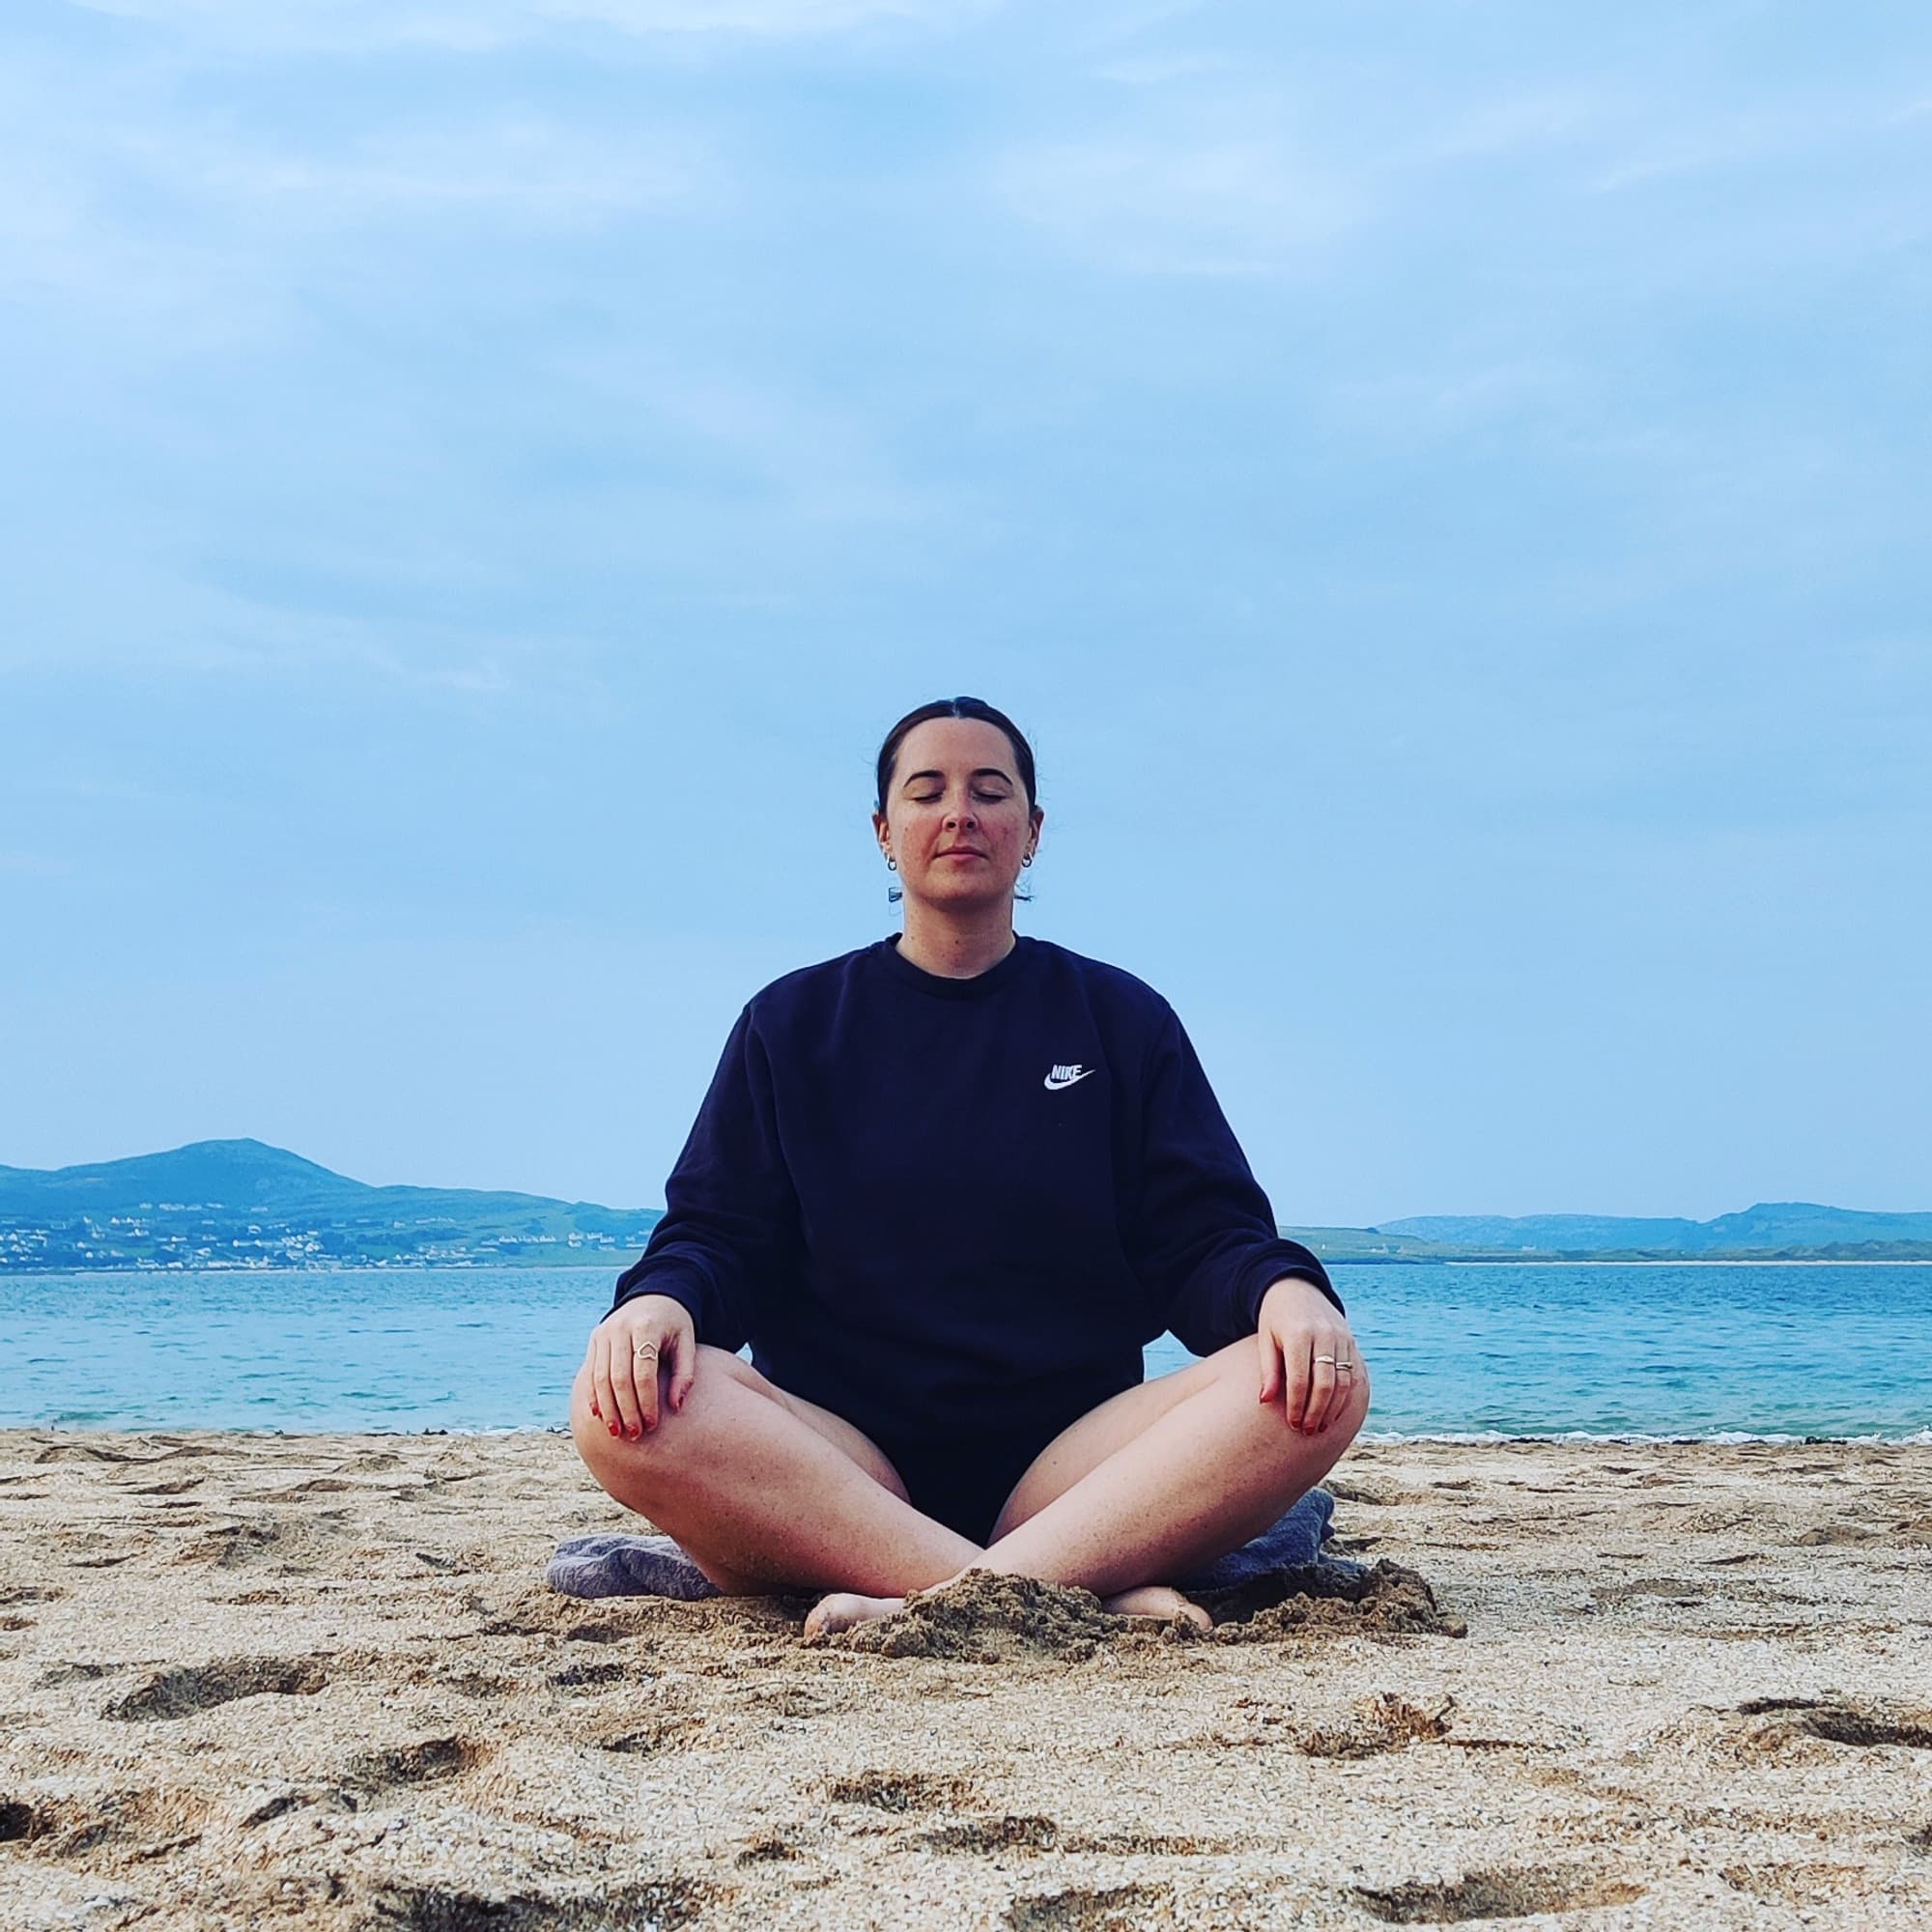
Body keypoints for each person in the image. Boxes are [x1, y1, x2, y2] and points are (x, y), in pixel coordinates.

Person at [570, 696, 1369, 1640]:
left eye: (990, 792)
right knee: (617, 1402)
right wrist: (661, 1300)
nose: (959, 813)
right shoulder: (790, 1024)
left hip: (1078, 1471)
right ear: (883, 832)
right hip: (843, 1473)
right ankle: (1050, 1588)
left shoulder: (1117, 1019)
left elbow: (1203, 1237)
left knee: (1323, 1381)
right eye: (926, 791)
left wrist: (1283, 1291)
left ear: (1030, 832)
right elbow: (718, 1235)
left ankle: (980, 1579)